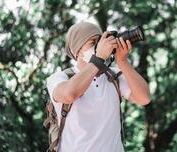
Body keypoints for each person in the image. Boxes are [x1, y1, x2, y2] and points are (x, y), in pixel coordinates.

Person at [46, 22, 151, 152]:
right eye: (93, 42)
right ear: (78, 51)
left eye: (100, 41)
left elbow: (144, 98)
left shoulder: (114, 76)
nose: (99, 46)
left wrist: (122, 61)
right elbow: (69, 94)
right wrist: (99, 57)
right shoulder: (59, 78)